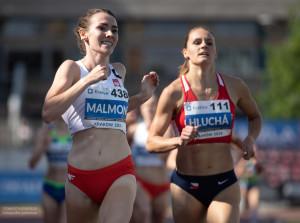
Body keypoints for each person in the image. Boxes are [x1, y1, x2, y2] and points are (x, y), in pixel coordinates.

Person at [41, 8, 159, 223]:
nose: (110, 34)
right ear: (83, 34)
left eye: (114, 29)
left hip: (119, 171)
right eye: (102, 28)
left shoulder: (119, 71)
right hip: (80, 176)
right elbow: (48, 112)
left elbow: (113, 114)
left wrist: (142, 97)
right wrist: (87, 80)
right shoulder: (71, 69)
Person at [146, 26, 262, 223]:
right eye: (197, 42)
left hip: (224, 182)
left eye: (209, 43)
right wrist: (178, 140)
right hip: (186, 186)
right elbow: (151, 142)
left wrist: (250, 138)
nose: (203, 46)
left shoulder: (235, 86)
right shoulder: (173, 92)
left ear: (216, 52)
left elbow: (255, 117)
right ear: (186, 53)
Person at [127, 95, 172, 223]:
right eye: (146, 105)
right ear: (141, 108)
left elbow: (170, 158)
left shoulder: (167, 130)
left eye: (153, 105)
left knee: (159, 219)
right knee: (143, 214)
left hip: (161, 185)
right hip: (141, 183)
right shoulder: (134, 130)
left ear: (158, 107)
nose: (150, 108)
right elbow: (121, 151)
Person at [29, 117, 71, 223]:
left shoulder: (75, 132)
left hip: (68, 188)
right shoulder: (45, 132)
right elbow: (32, 164)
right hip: (50, 187)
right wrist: (43, 146)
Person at [234, 144, 264, 223]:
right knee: (240, 205)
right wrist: (243, 165)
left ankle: (253, 220)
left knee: (254, 203)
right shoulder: (242, 160)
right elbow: (238, 174)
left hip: (252, 184)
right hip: (242, 185)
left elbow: (261, 173)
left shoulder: (256, 161)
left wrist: (258, 165)